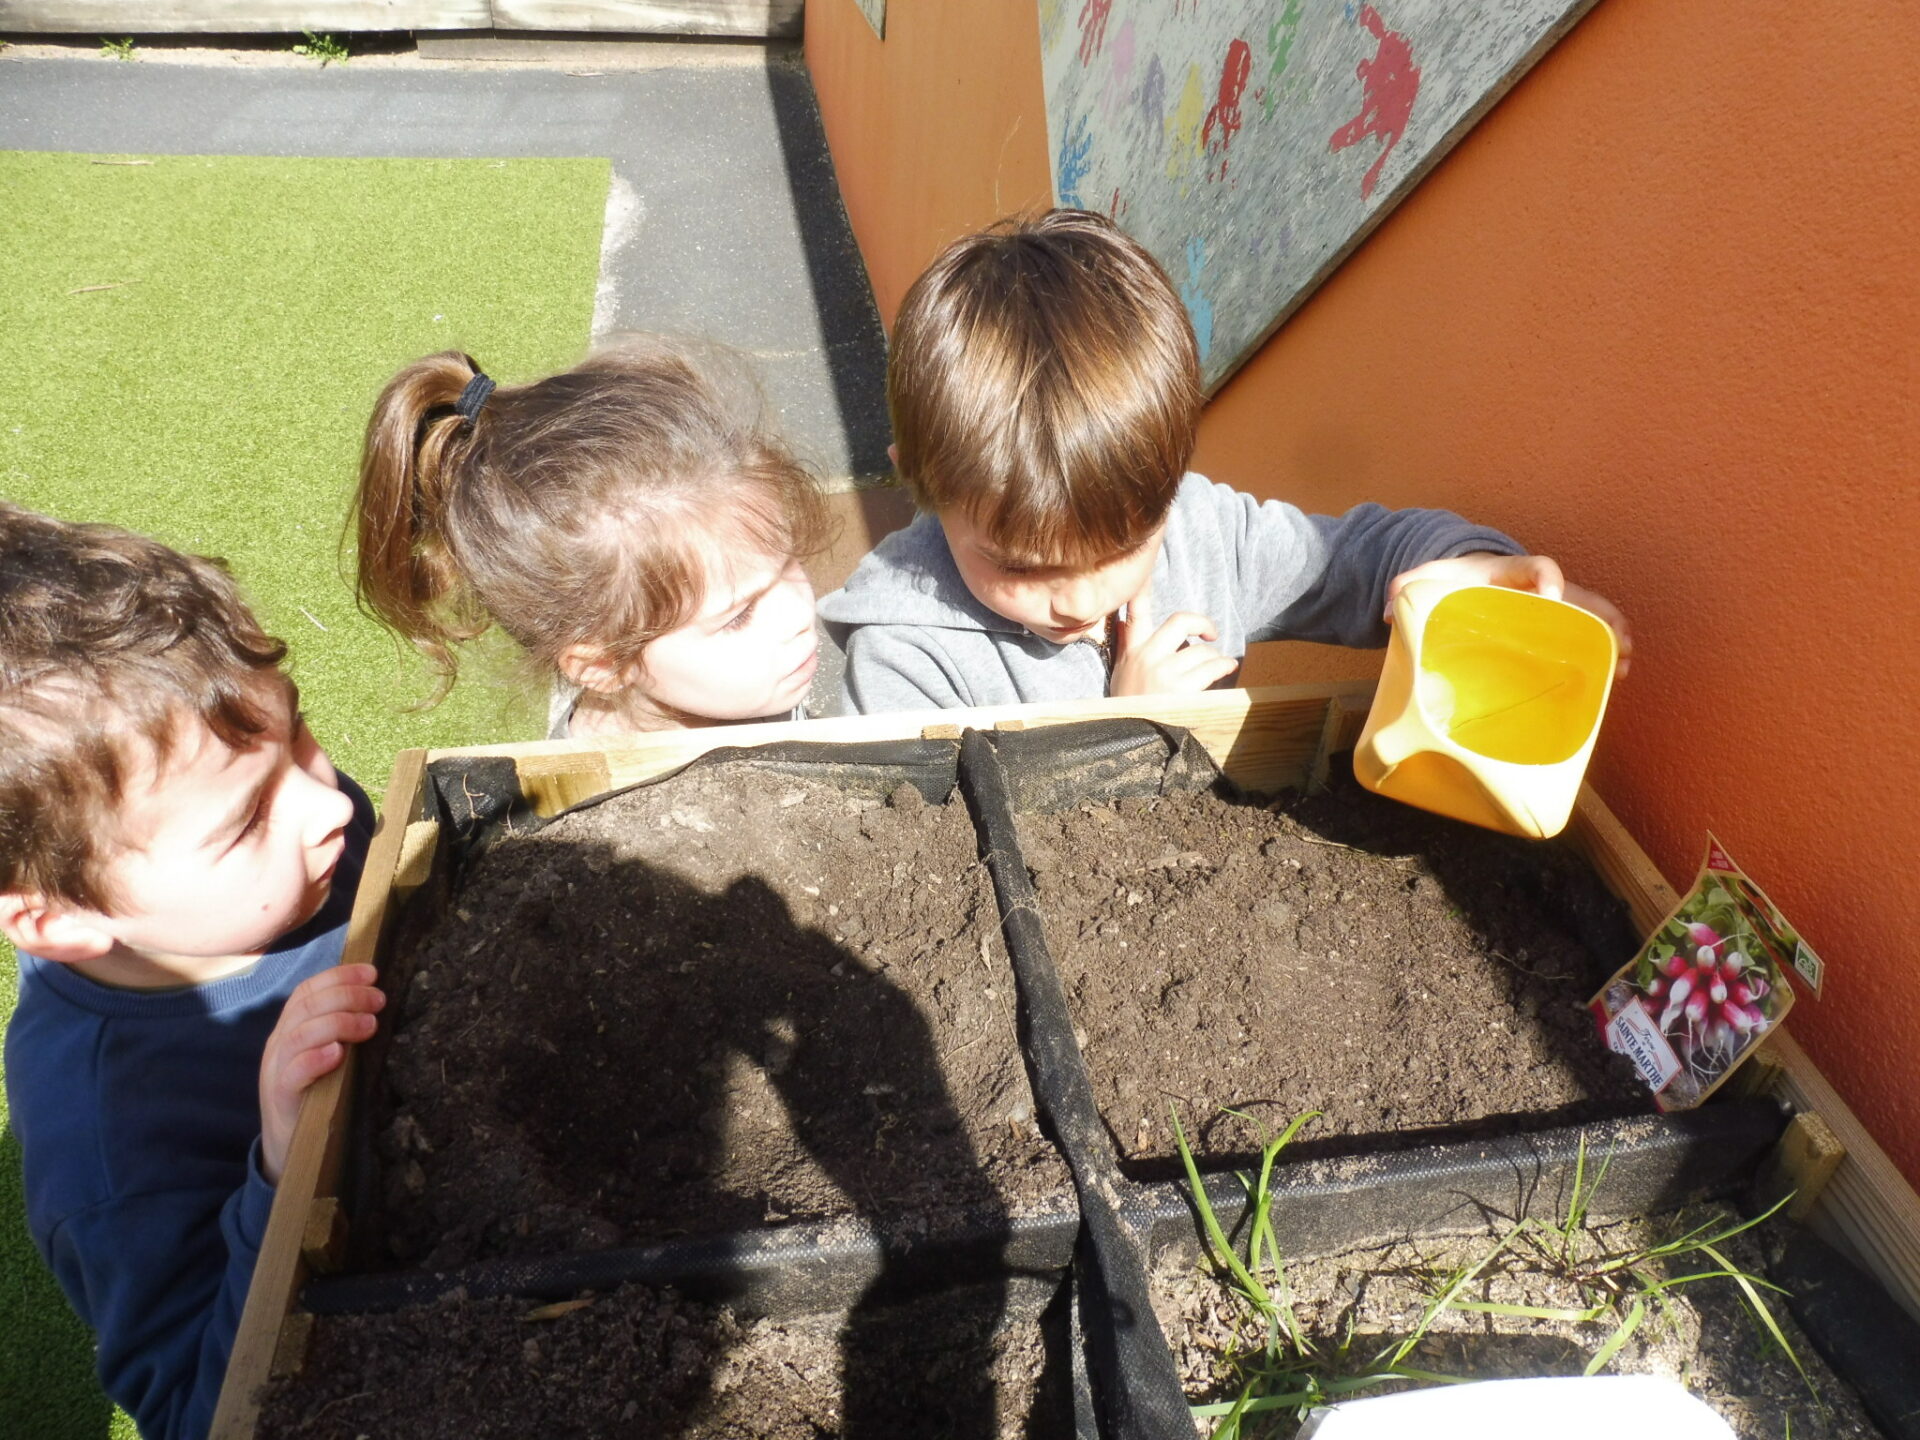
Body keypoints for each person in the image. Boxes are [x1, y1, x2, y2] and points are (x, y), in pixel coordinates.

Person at [818, 209, 1630, 712]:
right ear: (921, 480)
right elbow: (930, 877)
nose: (1081, 601)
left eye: (1123, 548)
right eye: (1021, 567)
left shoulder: (1204, 536)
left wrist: (1477, 571)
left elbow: (1357, 558)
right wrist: (1123, 728)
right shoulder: (907, 658)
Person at [0, 504, 385, 1440]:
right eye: (248, 820)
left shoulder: (301, 849)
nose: (328, 805)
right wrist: (282, 1166)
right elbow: (197, 1412)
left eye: (299, 736)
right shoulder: (110, 1152)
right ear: (58, 919)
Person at [353, 340, 830, 738]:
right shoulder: (600, 806)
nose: (798, 613)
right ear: (603, 666)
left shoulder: (741, 686)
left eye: (788, 563)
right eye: (739, 616)